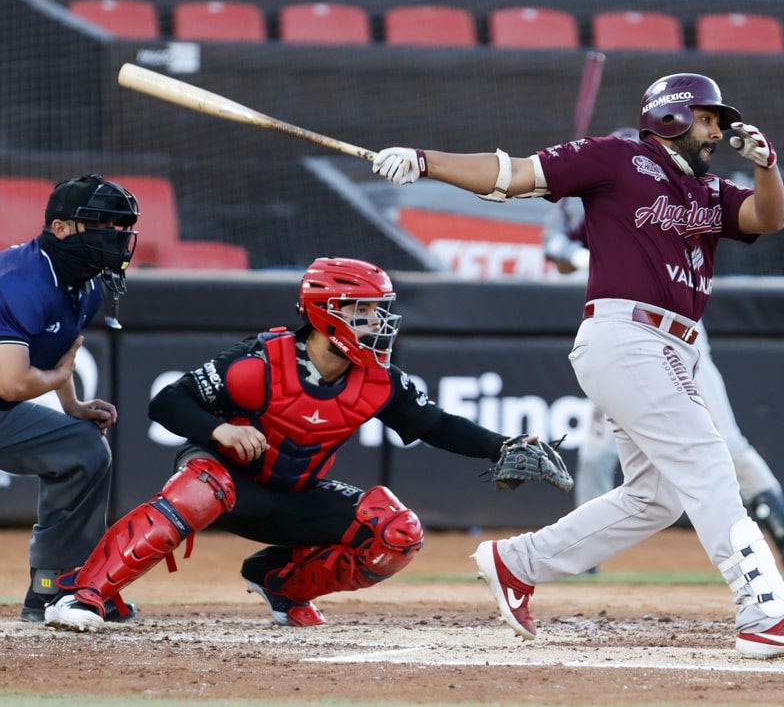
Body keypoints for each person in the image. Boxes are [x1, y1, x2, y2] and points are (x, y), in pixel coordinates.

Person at [369, 73, 784, 658]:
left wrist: (769, 165)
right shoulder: (617, 157)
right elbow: (514, 175)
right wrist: (424, 161)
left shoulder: (709, 190)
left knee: (657, 497)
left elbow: (765, 220)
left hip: (675, 346)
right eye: (708, 119)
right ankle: (764, 613)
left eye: (720, 123)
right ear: (672, 115)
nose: (718, 132)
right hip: (629, 336)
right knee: (706, 460)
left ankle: (518, 563)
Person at [44, 257, 566, 632]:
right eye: (363, 311)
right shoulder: (258, 360)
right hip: (225, 481)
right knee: (203, 485)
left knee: (396, 533)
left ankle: (280, 583)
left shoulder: (379, 378)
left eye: (377, 311)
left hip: (293, 495)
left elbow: (436, 424)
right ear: (326, 312)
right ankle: (86, 593)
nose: (377, 324)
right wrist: (219, 430)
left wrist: (502, 446)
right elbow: (167, 403)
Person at [544, 190, 784, 577]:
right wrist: (561, 244)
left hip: (679, 338)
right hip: (622, 341)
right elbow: (566, 261)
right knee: (595, 454)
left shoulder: (674, 204)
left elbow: (635, 264)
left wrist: (571, 252)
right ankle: (584, 562)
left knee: (728, 444)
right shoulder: (605, 208)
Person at [0, 174, 140, 623]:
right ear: (60, 229)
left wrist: (72, 404)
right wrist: (59, 375)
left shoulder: (88, 284)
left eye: (118, 226)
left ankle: (57, 585)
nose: (113, 237)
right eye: (99, 224)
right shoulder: (19, 281)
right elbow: (14, 385)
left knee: (83, 446)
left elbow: (60, 349)